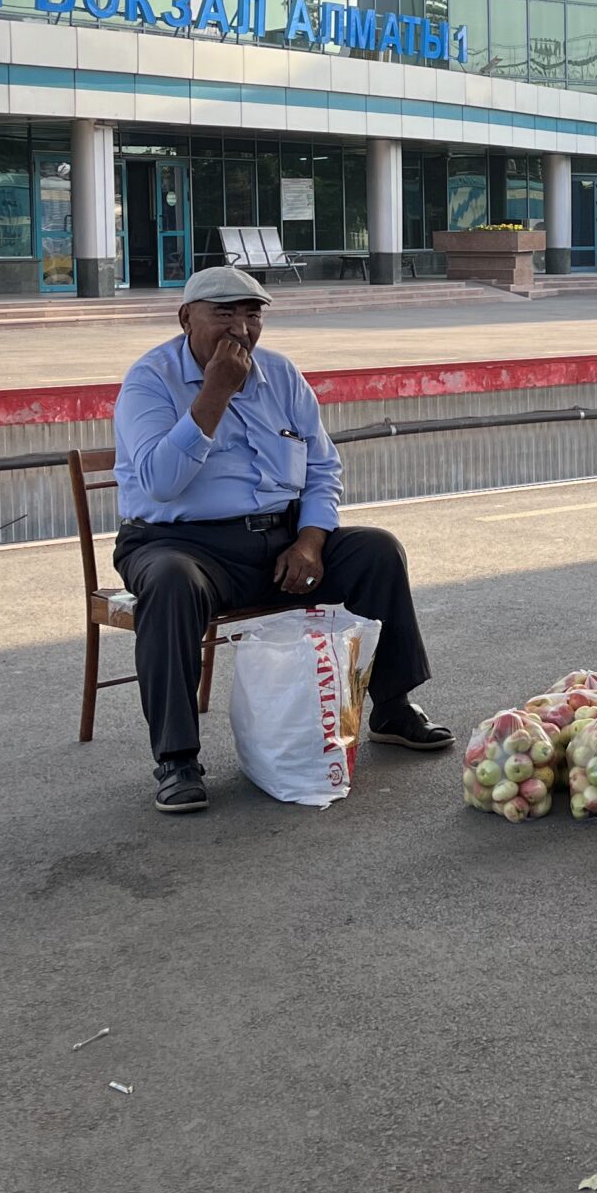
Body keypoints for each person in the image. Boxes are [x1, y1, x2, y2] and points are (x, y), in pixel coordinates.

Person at [112, 266, 451, 812]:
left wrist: (311, 541)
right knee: (171, 583)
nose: (241, 329)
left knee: (376, 551)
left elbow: (322, 469)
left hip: (280, 541)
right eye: (224, 314)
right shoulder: (149, 380)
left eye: (252, 315)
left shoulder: (282, 375)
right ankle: (177, 760)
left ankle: (392, 709)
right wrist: (215, 393)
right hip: (180, 544)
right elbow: (159, 482)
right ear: (186, 319)